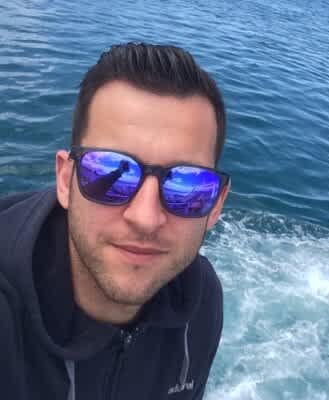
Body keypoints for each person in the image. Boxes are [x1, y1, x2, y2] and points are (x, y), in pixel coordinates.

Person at [0, 42, 230, 400]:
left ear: (215, 205)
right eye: (108, 170)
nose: (145, 218)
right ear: (65, 180)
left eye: (188, 184)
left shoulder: (200, 302)